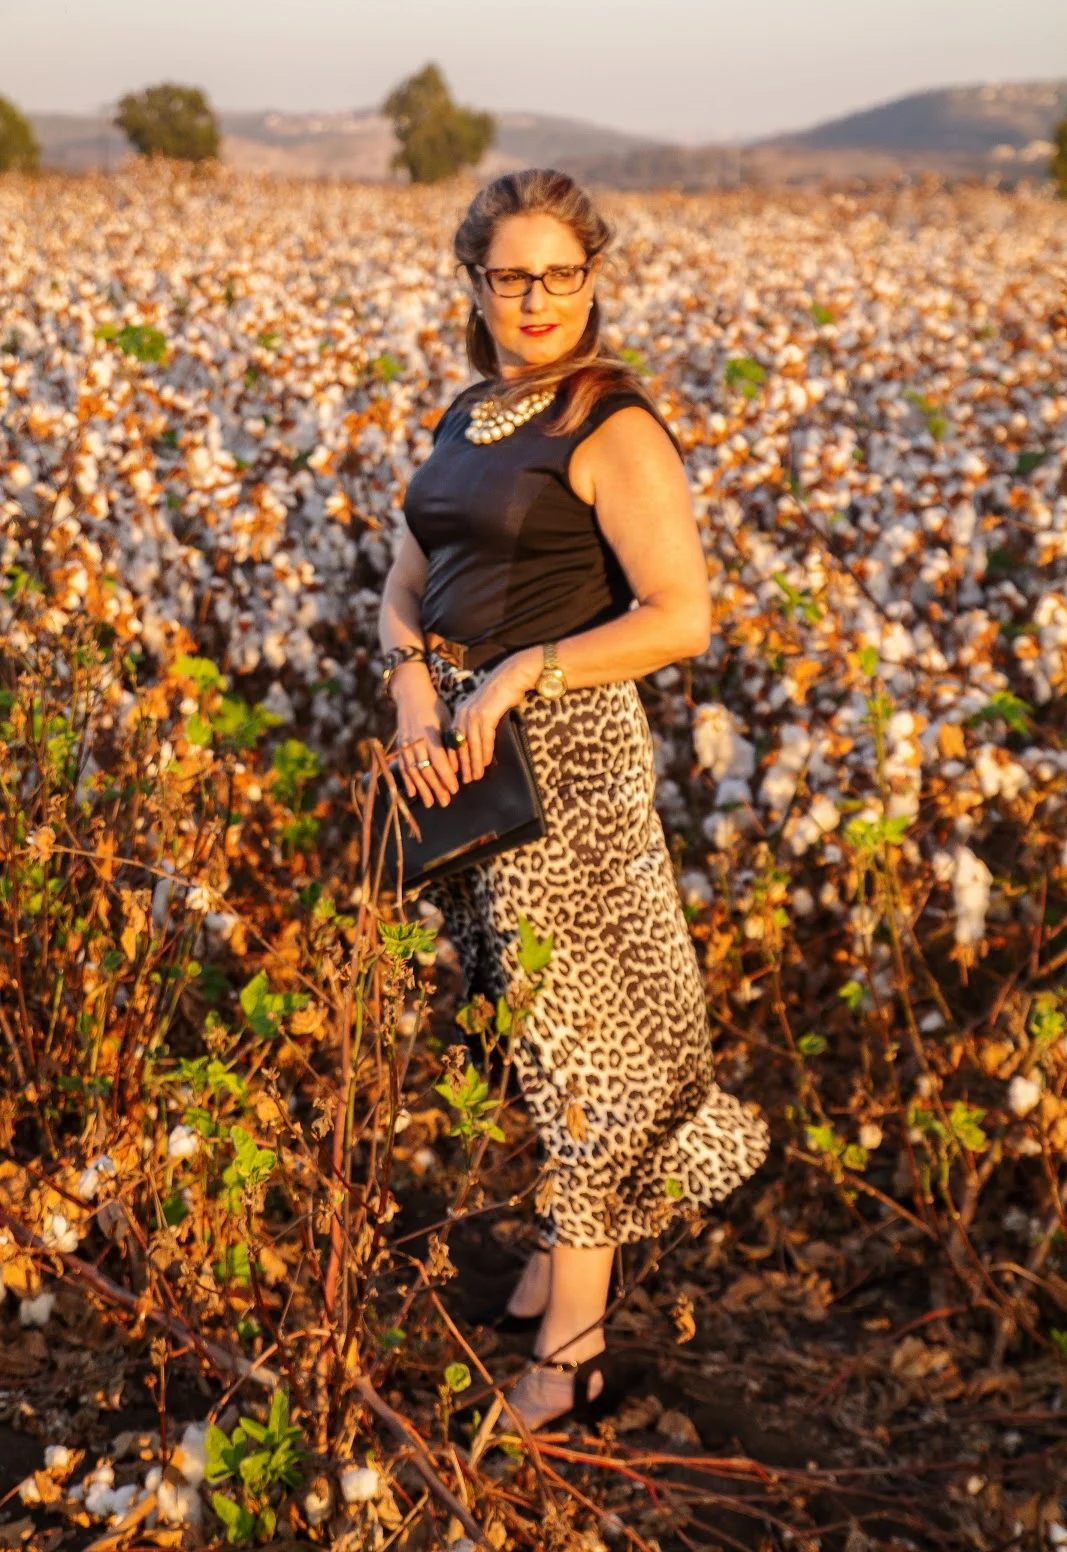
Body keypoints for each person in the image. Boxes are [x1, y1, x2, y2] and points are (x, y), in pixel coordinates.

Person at [377, 168, 769, 1431]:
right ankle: (557, 1257)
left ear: (592, 279)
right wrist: (413, 689)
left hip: (566, 762)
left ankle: (575, 1350)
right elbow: (404, 580)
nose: (536, 297)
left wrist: (519, 673)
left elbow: (680, 616)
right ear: (474, 283)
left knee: (585, 1048)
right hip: (461, 755)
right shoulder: (469, 413)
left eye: (560, 273)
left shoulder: (612, 425)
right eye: (511, 275)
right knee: (519, 1028)